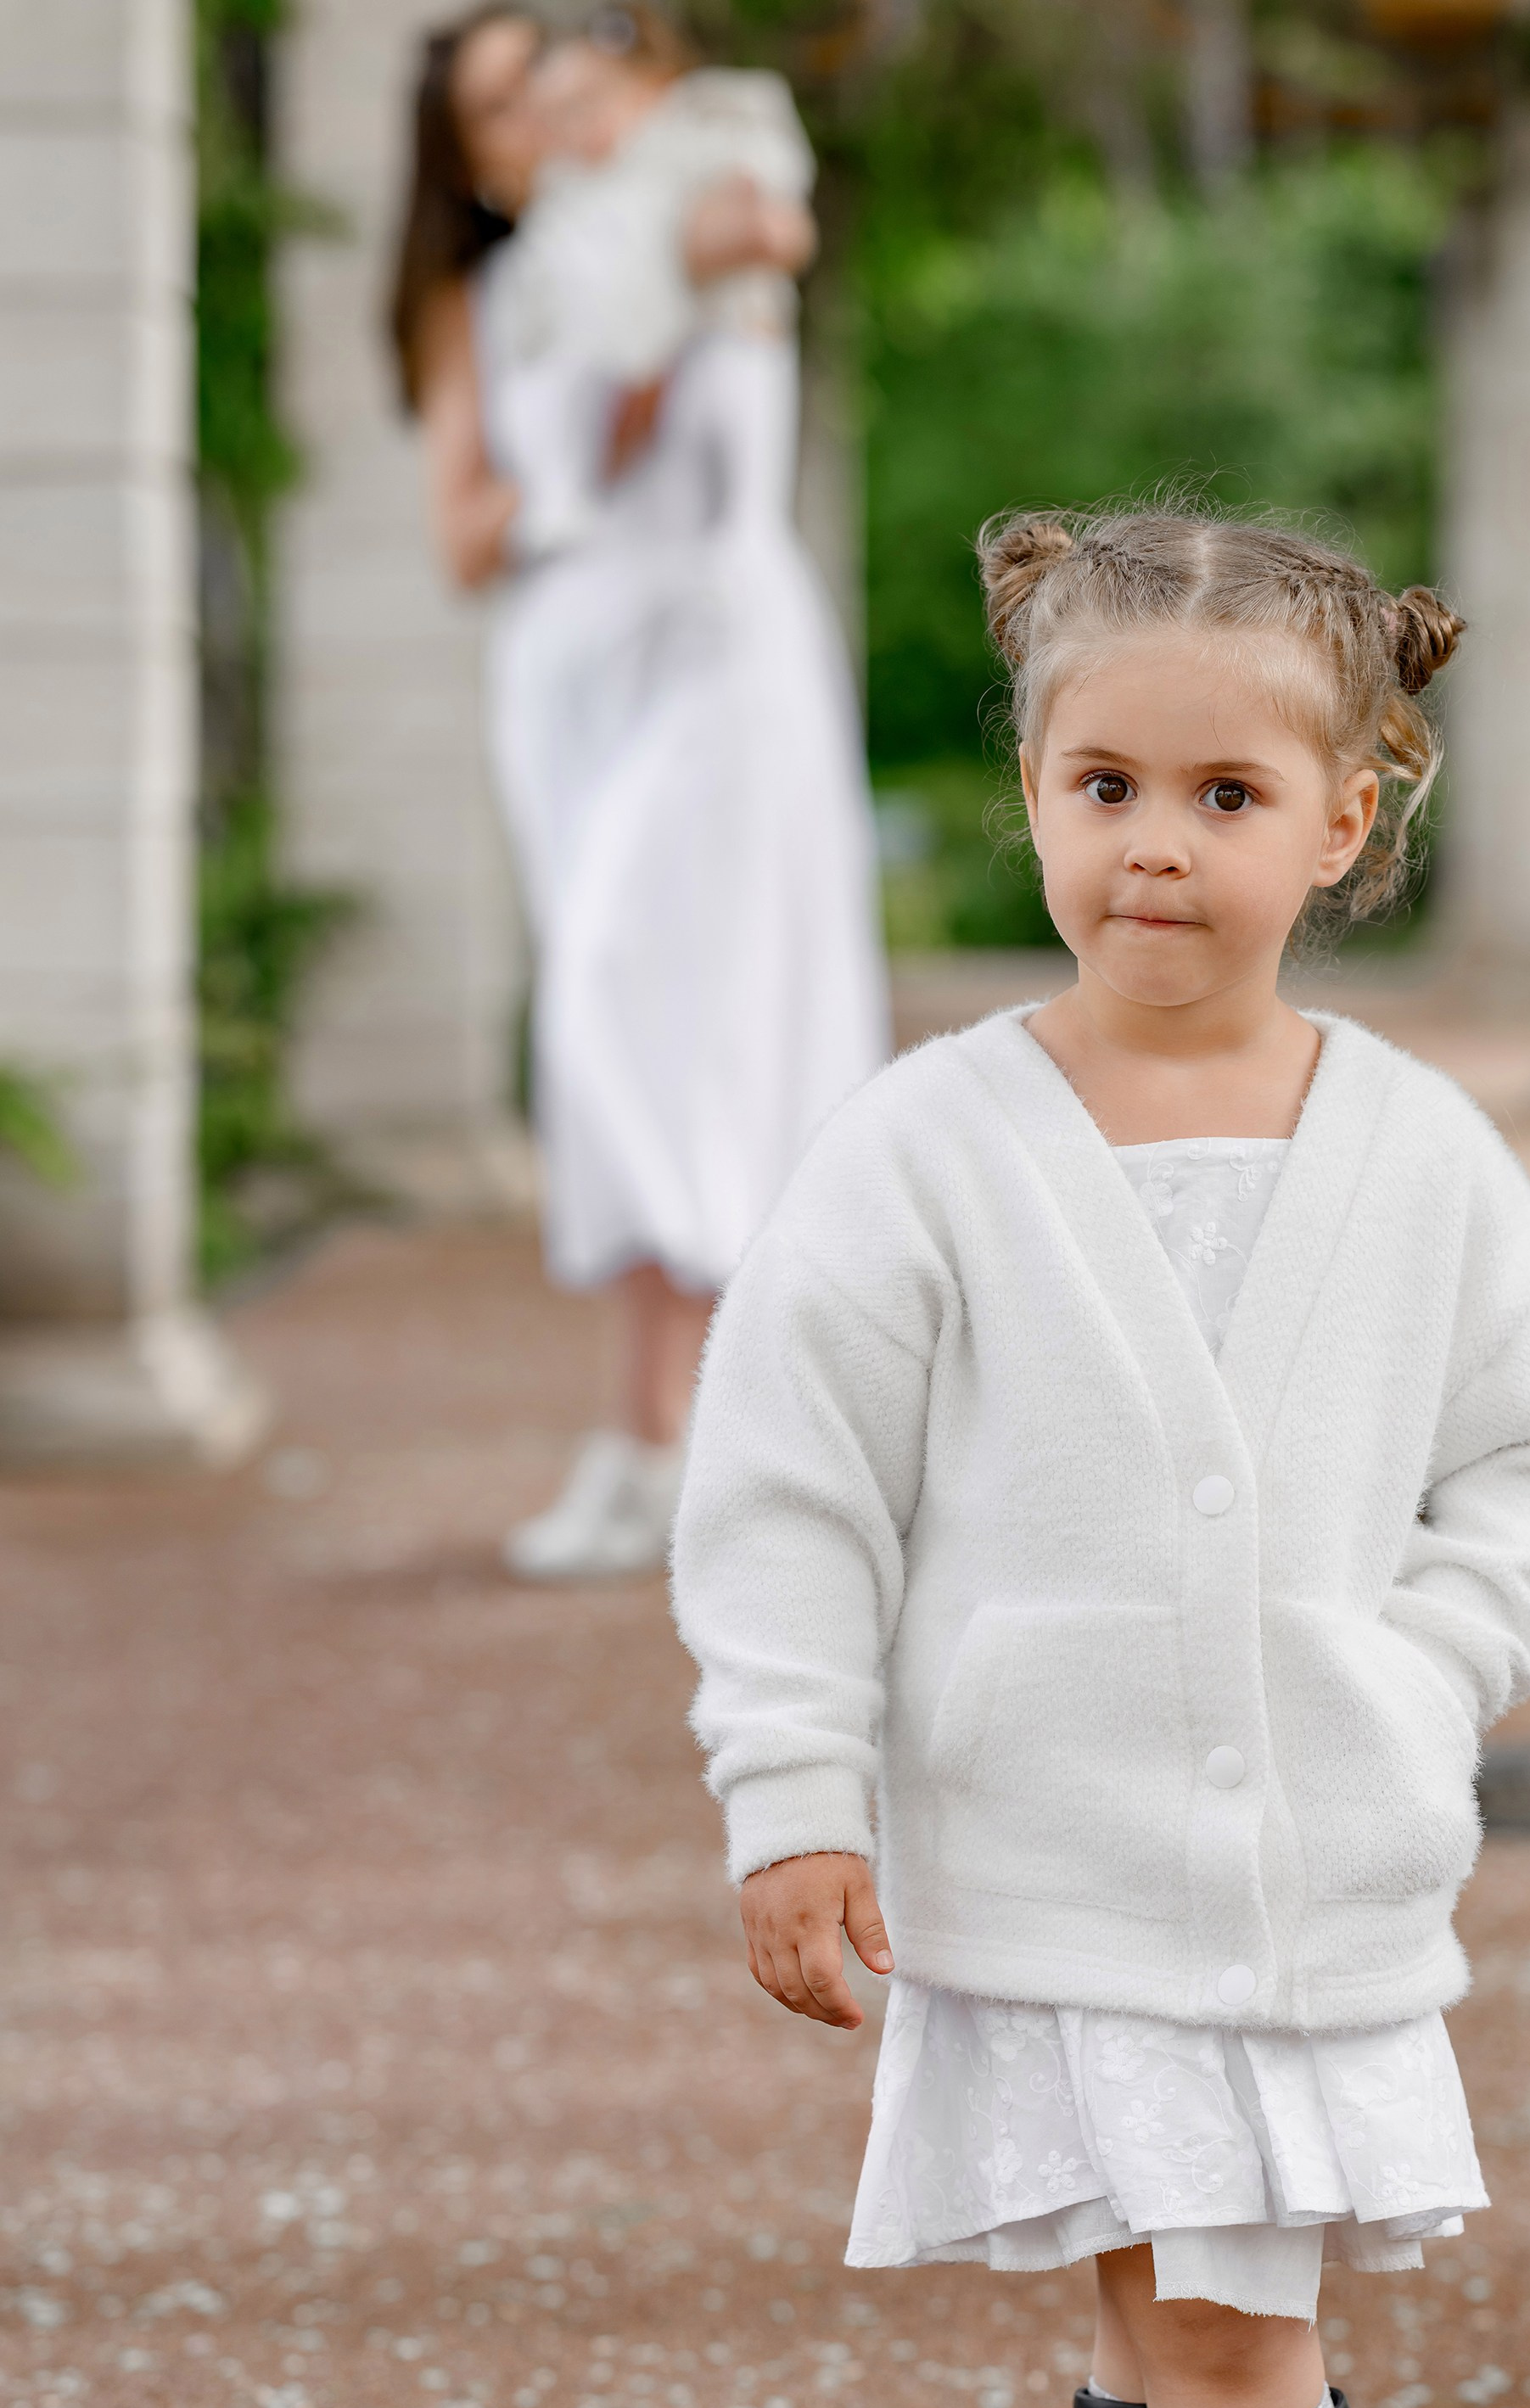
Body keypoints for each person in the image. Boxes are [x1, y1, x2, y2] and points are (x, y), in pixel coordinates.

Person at [670, 502, 1530, 2408]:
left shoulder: (1417, 1157)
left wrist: (1425, 1660)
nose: (1158, 845)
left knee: (1198, 2302)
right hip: (1038, 1847)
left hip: (1318, 1855)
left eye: (1229, 796)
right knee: (1181, 2291)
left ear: (1351, 820)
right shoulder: (925, 1149)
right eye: (1104, 783)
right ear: (1030, 793)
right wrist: (791, 1796)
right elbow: (788, 1492)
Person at [388, 4, 888, 1580]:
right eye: (499, 108)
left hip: (719, 657)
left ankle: (710, 1434)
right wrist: (582, 451)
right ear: (466, 154)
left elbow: (765, 240)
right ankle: (655, 1434)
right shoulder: (480, 294)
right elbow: (466, 533)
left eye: (548, 79)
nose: (539, 117)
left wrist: (665, 294)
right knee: (625, 1026)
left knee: (664, 1005)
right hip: (568, 672)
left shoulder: (708, 196)